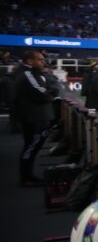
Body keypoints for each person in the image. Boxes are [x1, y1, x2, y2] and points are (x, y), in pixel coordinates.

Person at [14, 50, 59, 187]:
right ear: (29, 61)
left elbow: (51, 88)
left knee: (32, 147)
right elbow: (42, 93)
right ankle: (26, 177)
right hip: (34, 118)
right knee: (30, 147)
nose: (43, 62)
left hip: (38, 117)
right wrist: (50, 94)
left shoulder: (35, 73)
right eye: (40, 60)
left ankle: (29, 176)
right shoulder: (27, 74)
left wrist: (50, 92)